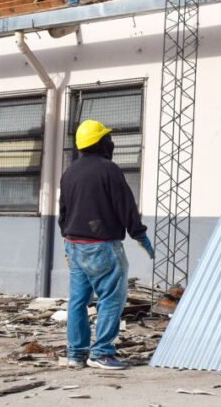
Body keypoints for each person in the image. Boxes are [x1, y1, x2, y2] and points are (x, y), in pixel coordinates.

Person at [59, 119, 155, 370]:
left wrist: (68, 238)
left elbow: (63, 211)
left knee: (78, 301)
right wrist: (139, 234)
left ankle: (75, 354)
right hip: (101, 246)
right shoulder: (108, 169)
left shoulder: (69, 172)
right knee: (111, 299)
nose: (110, 142)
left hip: (73, 244)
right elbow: (125, 204)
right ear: (101, 143)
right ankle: (101, 352)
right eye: (107, 138)